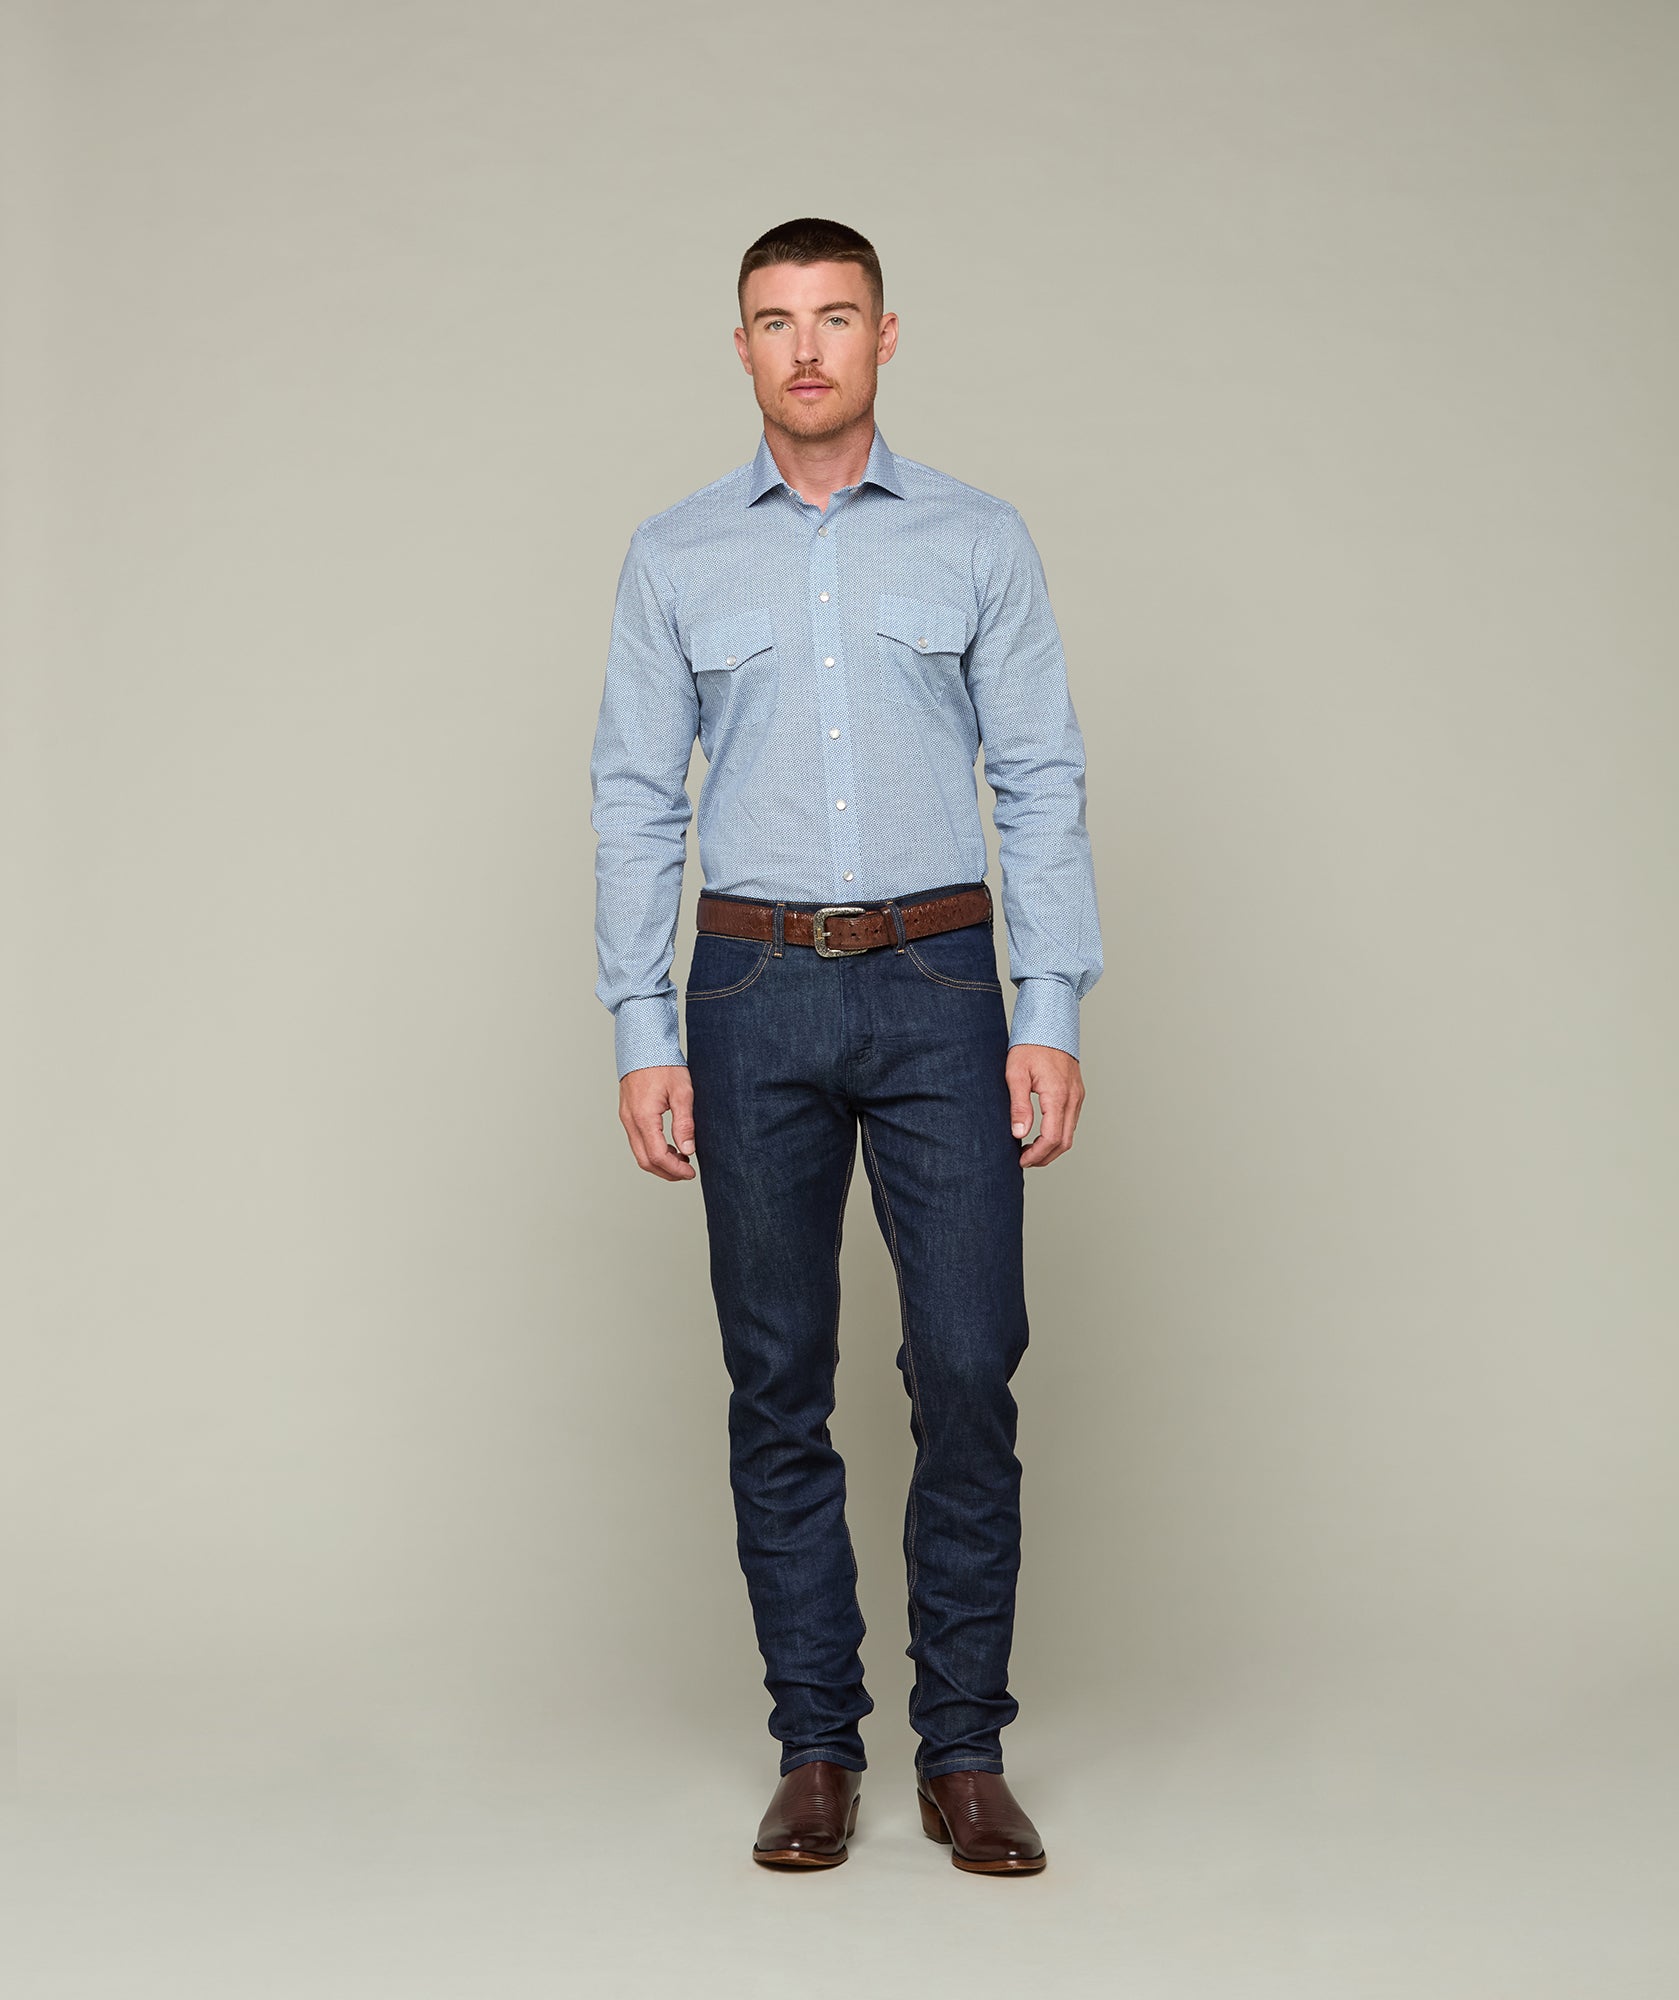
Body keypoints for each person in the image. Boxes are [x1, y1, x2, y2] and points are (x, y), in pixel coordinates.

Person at [588, 217, 1103, 1874]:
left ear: (888, 335)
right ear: (740, 346)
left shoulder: (979, 538)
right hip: (750, 991)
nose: (805, 348)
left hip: (941, 981)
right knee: (776, 1377)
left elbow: (1040, 776)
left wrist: (1048, 1004)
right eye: (774, 320)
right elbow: (633, 796)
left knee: (966, 1362)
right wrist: (642, 1027)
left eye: (835, 316)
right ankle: (816, 1747)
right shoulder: (675, 556)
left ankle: (965, 1752)